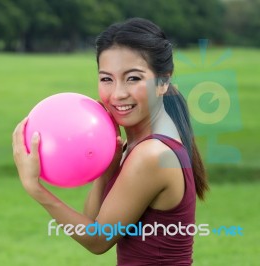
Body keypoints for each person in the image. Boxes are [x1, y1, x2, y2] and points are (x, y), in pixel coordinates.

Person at [12, 17, 209, 265]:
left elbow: (97, 240)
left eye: (133, 78)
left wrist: (35, 188)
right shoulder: (140, 147)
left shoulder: (151, 155)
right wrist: (108, 167)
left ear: (163, 81)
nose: (117, 94)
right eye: (107, 79)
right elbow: (93, 218)